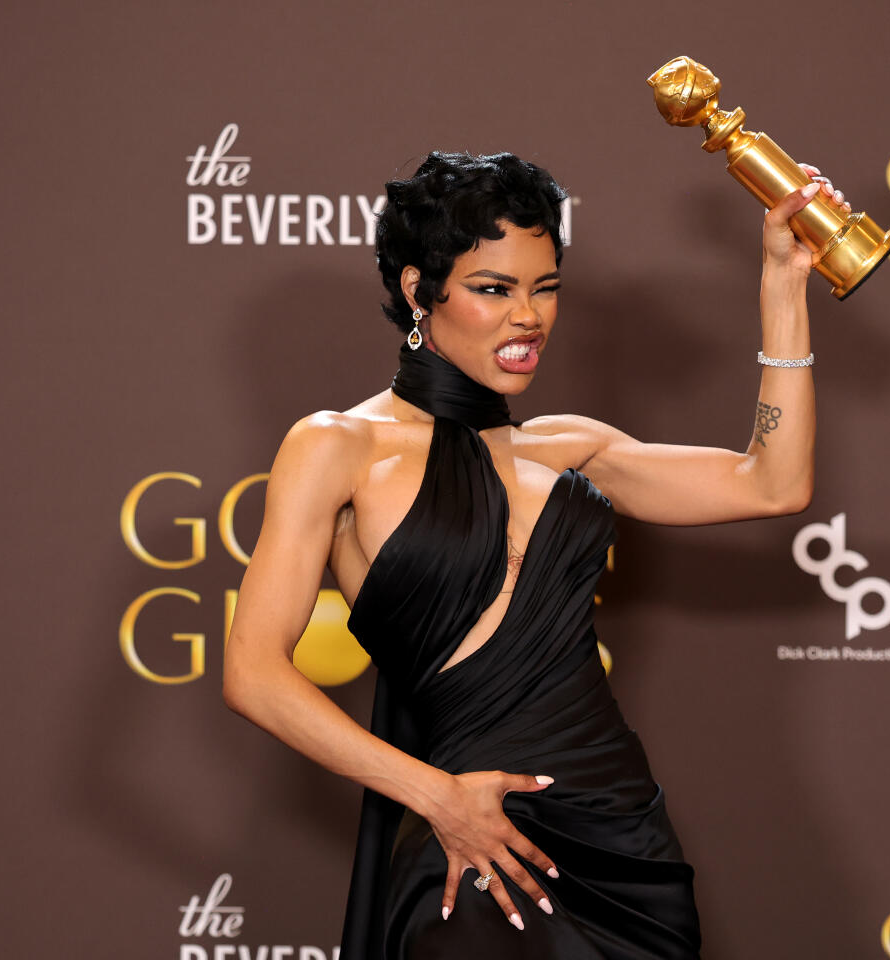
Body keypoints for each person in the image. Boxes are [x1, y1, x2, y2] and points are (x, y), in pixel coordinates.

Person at [222, 150, 847, 958]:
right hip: (472, 841)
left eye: (545, 288)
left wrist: (783, 283)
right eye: (494, 290)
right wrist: (437, 798)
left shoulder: (569, 448)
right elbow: (253, 673)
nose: (529, 317)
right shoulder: (338, 446)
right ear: (419, 291)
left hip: (621, 837)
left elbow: (773, 484)